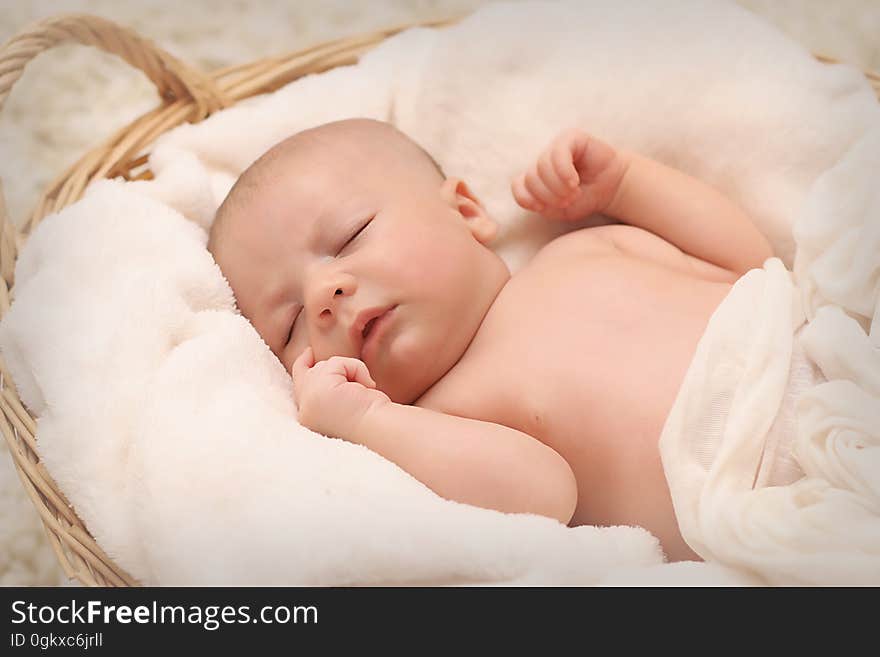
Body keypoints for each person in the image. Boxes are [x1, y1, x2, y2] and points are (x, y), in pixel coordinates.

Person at [207, 118, 775, 562]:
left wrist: (626, 183)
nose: (324, 295)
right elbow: (545, 495)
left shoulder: (584, 246)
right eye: (290, 323)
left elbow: (747, 264)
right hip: (774, 503)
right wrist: (363, 422)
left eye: (350, 237)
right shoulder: (440, 421)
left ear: (467, 211)